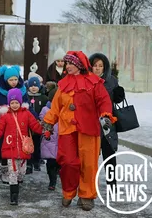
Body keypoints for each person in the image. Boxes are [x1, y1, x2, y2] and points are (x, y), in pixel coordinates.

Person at [43, 51, 116, 211]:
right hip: (67, 129)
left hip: (88, 128)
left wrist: (105, 115)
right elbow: (56, 107)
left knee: (88, 164)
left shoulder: (94, 82)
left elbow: (103, 100)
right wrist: (48, 123)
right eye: (66, 63)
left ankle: (86, 195)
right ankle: (68, 192)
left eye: (70, 63)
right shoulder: (63, 84)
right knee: (68, 162)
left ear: (79, 65)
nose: (67, 66)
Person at [0, 65, 38, 184]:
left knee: (21, 150)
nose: (14, 82)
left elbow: (28, 108)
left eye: (15, 79)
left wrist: (38, 119)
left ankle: (19, 171)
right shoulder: (0, 94)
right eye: (11, 80)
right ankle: (5, 171)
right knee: (2, 150)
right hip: (5, 127)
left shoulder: (22, 92)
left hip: (21, 127)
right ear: (5, 80)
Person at [0, 88, 44, 205]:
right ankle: (13, 195)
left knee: (21, 172)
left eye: (16, 102)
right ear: (9, 103)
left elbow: (35, 126)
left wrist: (44, 131)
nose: (14, 105)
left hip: (24, 148)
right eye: (12, 103)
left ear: (20, 102)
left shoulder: (27, 114)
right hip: (10, 148)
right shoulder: (5, 116)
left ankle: (17, 184)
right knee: (12, 172)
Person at [89, 53, 125, 190]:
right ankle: (90, 186)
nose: (97, 69)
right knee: (91, 158)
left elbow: (115, 100)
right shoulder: (86, 81)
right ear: (90, 66)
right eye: (95, 65)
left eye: (100, 66)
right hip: (91, 124)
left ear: (105, 67)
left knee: (109, 156)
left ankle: (112, 185)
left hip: (108, 125)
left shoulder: (112, 80)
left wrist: (120, 95)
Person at [26, 76, 48, 174]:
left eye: (36, 86)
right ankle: (29, 163)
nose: (33, 88)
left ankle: (37, 161)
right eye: (31, 86)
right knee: (28, 144)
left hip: (39, 124)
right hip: (28, 126)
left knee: (38, 143)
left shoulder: (43, 98)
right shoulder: (26, 97)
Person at [39, 88, 59, 191]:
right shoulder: (45, 109)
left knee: (60, 162)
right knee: (51, 162)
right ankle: (52, 181)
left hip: (61, 140)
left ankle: (57, 176)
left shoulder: (65, 110)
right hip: (50, 139)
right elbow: (43, 121)